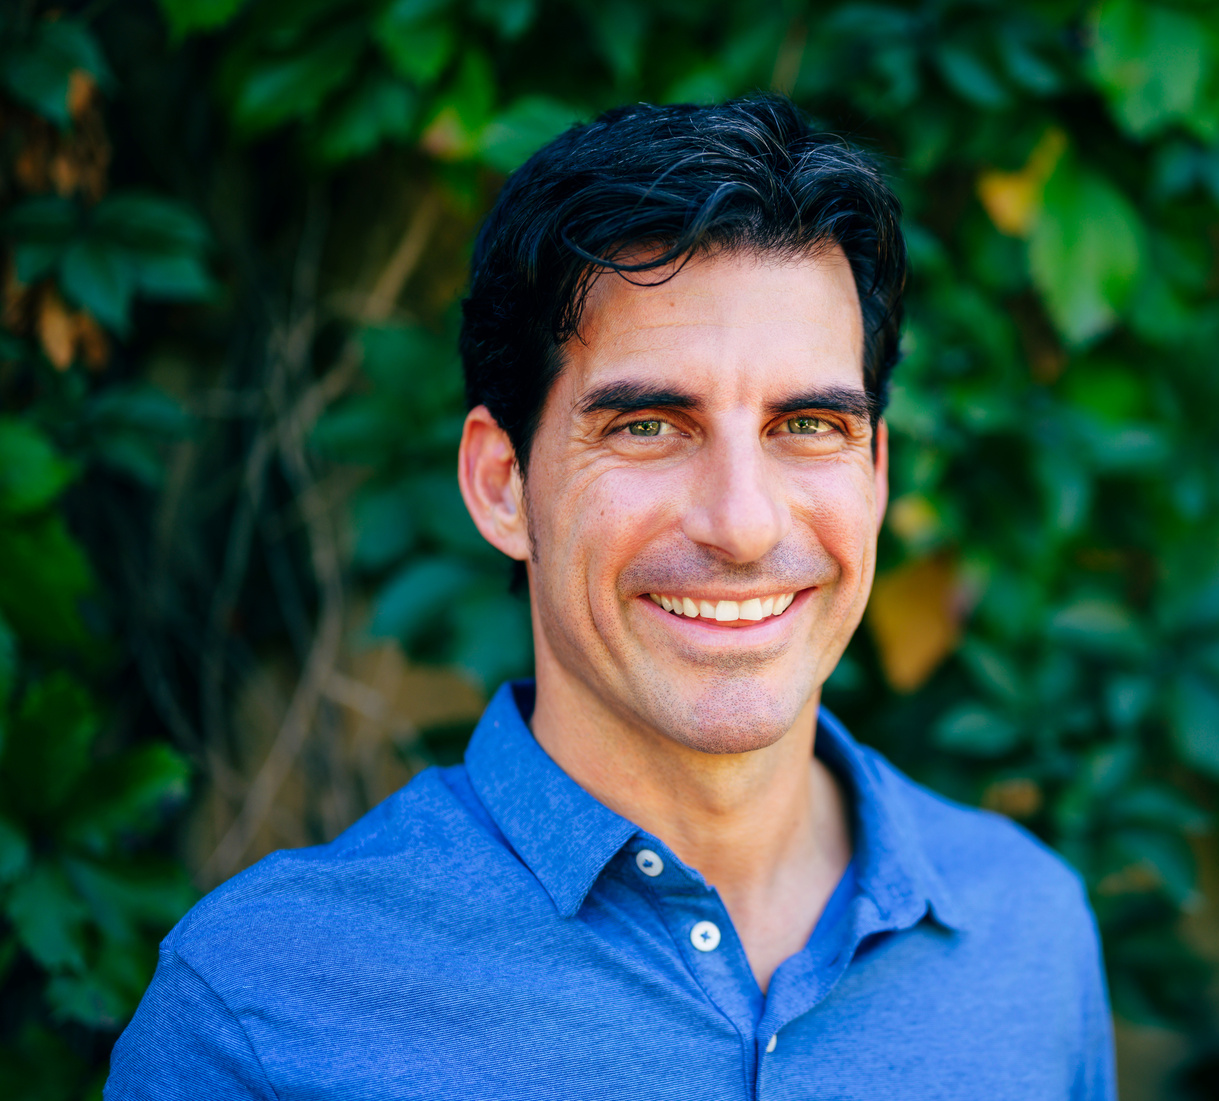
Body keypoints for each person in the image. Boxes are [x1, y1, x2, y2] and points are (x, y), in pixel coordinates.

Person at [107, 95, 1116, 1100]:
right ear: (501, 485)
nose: (743, 524)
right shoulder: (260, 1007)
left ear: (877, 474)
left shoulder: (1028, 934)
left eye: (808, 425)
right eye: (646, 426)